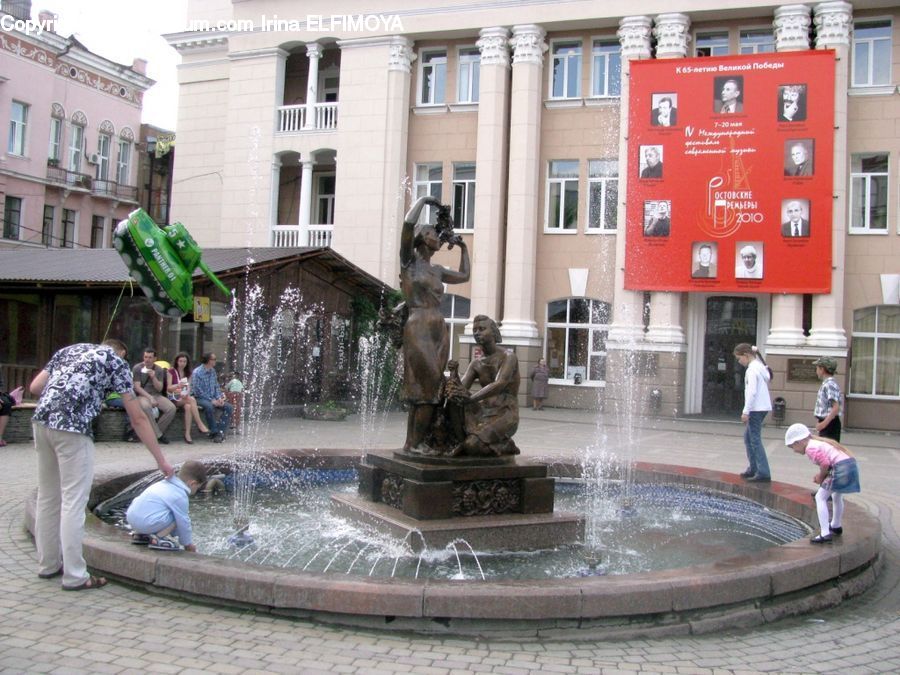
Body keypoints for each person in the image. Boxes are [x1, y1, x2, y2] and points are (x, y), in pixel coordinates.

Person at [29, 339, 174, 591]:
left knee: (48, 497)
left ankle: (48, 564)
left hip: (41, 422)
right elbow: (138, 418)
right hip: (73, 429)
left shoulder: (68, 349)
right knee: (74, 501)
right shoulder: (116, 362)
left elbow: (35, 387)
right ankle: (75, 575)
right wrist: (161, 461)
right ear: (119, 351)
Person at [399, 195, 470, 454]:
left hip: (438, 327)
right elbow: (407, 224)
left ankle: (411, 444)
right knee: (428, 386)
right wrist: (427, 200)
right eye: (430, 231)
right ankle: (416, 444)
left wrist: (464, 248)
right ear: (420, 238)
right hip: (417, 325)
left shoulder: (437, 270)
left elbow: (464, 275)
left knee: (428, 387)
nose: (436, 235)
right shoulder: (409, 262)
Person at [445, 315, 520, 457]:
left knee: (472, 446)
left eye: (482, 329)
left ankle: (505, 446)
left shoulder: (508, 357)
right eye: (474, 330)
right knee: (454, 400)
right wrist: (453, 374)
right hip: (483, 412)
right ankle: (464, 442)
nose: (477, 332)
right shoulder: (476, 363)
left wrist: (471, 399)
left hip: (505, 414)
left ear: (493, 332)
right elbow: (461, 388)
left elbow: (499, 383)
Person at [785, 423, 860, 544]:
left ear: (798, 442)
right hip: (849, 465)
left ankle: (825, 533)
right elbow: (827, 463)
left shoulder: (810, 448)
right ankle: (836, 525)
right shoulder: (817, 443)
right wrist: (821, 476)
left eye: (792, 447)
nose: (794, 451)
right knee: (836, 495)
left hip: (840, 468)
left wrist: (821, 477)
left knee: (820, 497)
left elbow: (825, 464)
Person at [126, 460, 207, 551]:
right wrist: (187, 544)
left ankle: (140, 535)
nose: (196, 490)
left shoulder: (163, 483)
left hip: (131, 519)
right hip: (147, 523)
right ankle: (158, 538)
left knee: (155, 509)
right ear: (193, 483)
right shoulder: (180, 495)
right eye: (197, 487)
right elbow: (183, 522)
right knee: (179, 517)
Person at [733, 343, 772, 483]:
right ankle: (754, 468)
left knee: (754, 439)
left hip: (755, 408)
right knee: (749, 438)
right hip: (762, 407)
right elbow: (768, 376)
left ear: (746, 355)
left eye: (739, 358)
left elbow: (752, 392)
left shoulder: (751, 370)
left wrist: (745, 411)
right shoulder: (760, 366)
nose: (739, 361)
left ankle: (762, 471)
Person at [132, 347, 176, 444]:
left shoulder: (159, 369)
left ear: (155, 359)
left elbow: (159, 388)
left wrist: (154, 377)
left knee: (171, 408)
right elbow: (137, 387)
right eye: (145, 357)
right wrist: (150, 397)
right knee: (146, 407)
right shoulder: (137, 368)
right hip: (142, 395)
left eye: (150, 357)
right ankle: (159, 435)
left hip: (156, 395)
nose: (147, 360)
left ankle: (153, 434)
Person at [166, 352, 210, 444]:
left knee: (188, 407)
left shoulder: (188, 373)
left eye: (184, 361)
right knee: (192, 400)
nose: (182, 363)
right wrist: (178, 386)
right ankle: (199, 424)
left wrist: (185, 393)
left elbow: (188, 387)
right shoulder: (171, 371)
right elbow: (168, 388)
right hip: (173, 397)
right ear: (177, 362)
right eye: (180, 361)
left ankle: (187, 434)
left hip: (183, 397)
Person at [191, 353, 232, 443]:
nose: (215, 361)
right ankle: (214, 431)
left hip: (213, 398)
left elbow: (216, 386)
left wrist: (219, 398)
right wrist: (211, 400)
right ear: (208, 360)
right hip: (200, 398)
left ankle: (220, 431)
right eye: (214, 359)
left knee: (229, 407)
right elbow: (197, 390)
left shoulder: (212, 371)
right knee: (209, 406)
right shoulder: (197, 372)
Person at [812, 356, 843, 441]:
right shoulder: (828, 383)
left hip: (830, 425)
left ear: (822, 369)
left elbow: (835, 407)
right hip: (828, 422)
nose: (816, 371)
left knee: (828, 451)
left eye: (817, 368)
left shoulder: (829, 384)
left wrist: (824, 424)